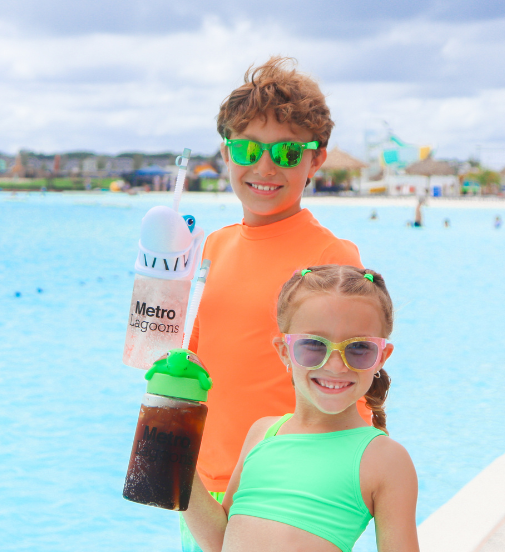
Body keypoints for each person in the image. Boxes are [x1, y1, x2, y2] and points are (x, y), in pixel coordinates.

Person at [182, 56, 366, 550]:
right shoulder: (214, 246)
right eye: (247, 149)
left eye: (287, 153)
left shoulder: (330, 258)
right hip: (206, 481)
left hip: (289, 486)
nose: (264, 167)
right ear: (226, 153)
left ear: (316, 160)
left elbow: (351, 375)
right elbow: (200, 360)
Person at [182, 265, 419, 552]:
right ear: (284, 351)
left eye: (358, 348)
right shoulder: (263, 434)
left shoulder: (385, 460)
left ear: (382, 356)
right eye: (314, 346)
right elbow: (221, 541)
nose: (335, 365)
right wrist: (177, 459)